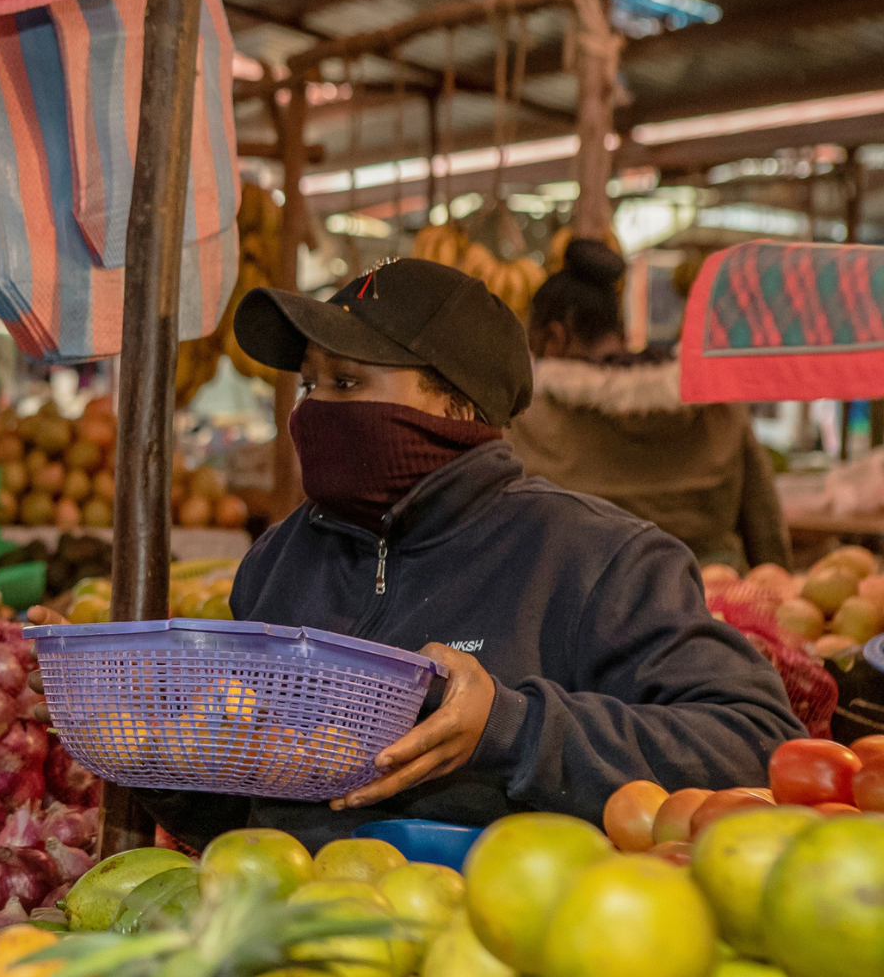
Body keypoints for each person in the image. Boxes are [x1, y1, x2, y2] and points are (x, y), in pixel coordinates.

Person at [135, 258, 805, 850]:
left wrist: (512, 729)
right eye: (311, 386)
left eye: (346, 383)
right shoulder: (278, 562)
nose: (313, 411)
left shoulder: (599, 559)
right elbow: (239, 817)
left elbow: (757, 741)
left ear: (457, 404)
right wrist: (166, 761)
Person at [509, 240, 789, 571]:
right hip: (711, 604)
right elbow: (767, 536)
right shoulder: (718, 407)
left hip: (587, 607)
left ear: (554, 338)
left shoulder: (527, 421)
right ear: (621, 330)